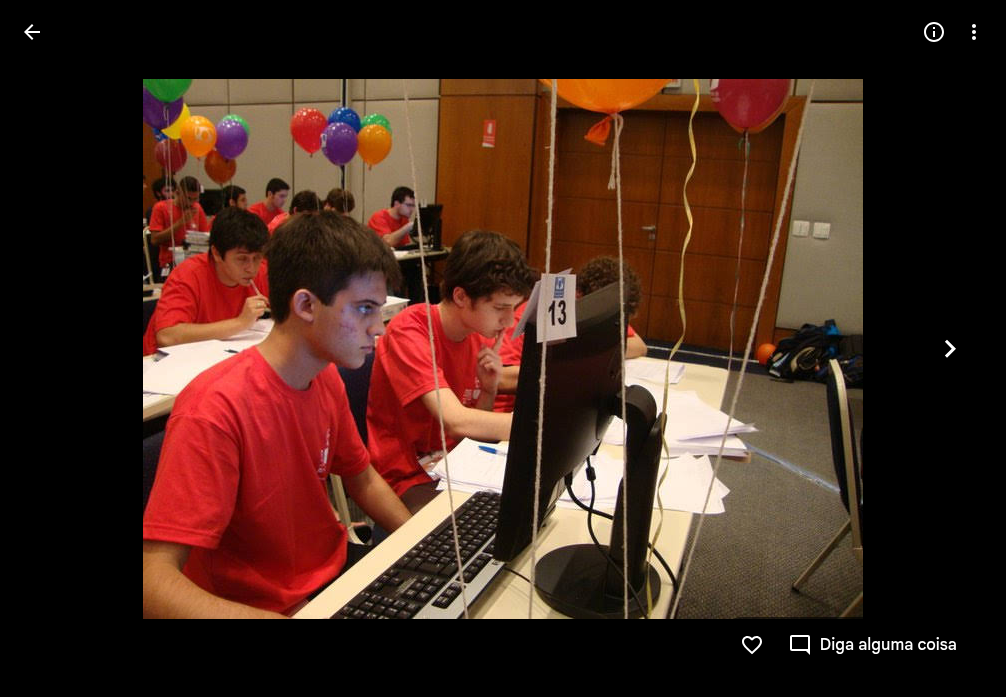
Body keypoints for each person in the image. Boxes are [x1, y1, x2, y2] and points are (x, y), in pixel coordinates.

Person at [143, 212, 412, 618]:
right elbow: (152, 583)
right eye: (363, 309)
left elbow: (363, 477)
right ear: (305, 305)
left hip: (326, 574)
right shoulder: (214, 408)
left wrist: (421, 545)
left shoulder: (325, 378)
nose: (379, 328)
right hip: (252, 605)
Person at [366, 230, 535, 513]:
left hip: (454, 465)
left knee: (524, 506)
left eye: (513, 309)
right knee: (493, 521)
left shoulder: (477, 334)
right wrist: (537, 426)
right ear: (461, 296)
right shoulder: (411, 329)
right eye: (500, 308)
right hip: (406, 475)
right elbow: (456, 421)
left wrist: (489, 389)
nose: (508, 321)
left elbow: (472, 434)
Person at [493, 256, 648, 412]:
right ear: (579, 295)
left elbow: (639, 345)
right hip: (512, 408)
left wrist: (590, 350)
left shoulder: (596, 313)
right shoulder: (545, 313)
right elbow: (501, 378)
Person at [142, 207, 271, 355]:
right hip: (161, 361)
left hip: (217, 355)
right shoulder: (188, 275)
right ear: (217, 253)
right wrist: (240, 323)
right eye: (242, 258)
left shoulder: (259, 272)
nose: (251, 268)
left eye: (257, 257)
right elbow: (167, 336)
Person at [148, 176, 209, 274]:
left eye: (196, 199)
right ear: (177, 193)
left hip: (194, 259)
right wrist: (181, 223)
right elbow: (154, 240)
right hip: (171, 261)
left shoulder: (197, 208)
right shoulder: (161, 207)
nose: (192, 203)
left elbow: (205, 237)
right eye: (188, 198)